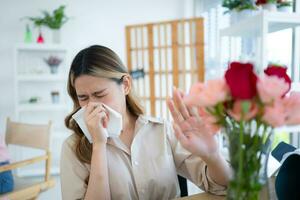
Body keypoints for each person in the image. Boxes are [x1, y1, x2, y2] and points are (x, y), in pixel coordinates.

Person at [60, 45, 231, 200]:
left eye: (100, 94)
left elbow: (223, 186)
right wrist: (98, 144)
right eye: (83, 98)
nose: (93, 106)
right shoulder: (72, 148)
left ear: (125, 85)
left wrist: (212, 155)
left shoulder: (161, 131)